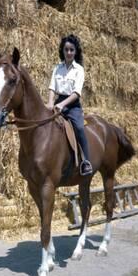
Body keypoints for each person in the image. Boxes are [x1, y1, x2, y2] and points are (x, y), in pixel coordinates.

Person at [46, 34, 93, 176]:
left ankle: (86, 161)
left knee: (79, 127)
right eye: (66, 49)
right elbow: (52, 87)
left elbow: (76, 93)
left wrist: (62, 105)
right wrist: (50, 103)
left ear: (75, 51)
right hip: (58, 102)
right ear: (63, 51)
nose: (69, 52)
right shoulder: (57, 68)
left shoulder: (79, 69)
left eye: (72, 50)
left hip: (72, 105)